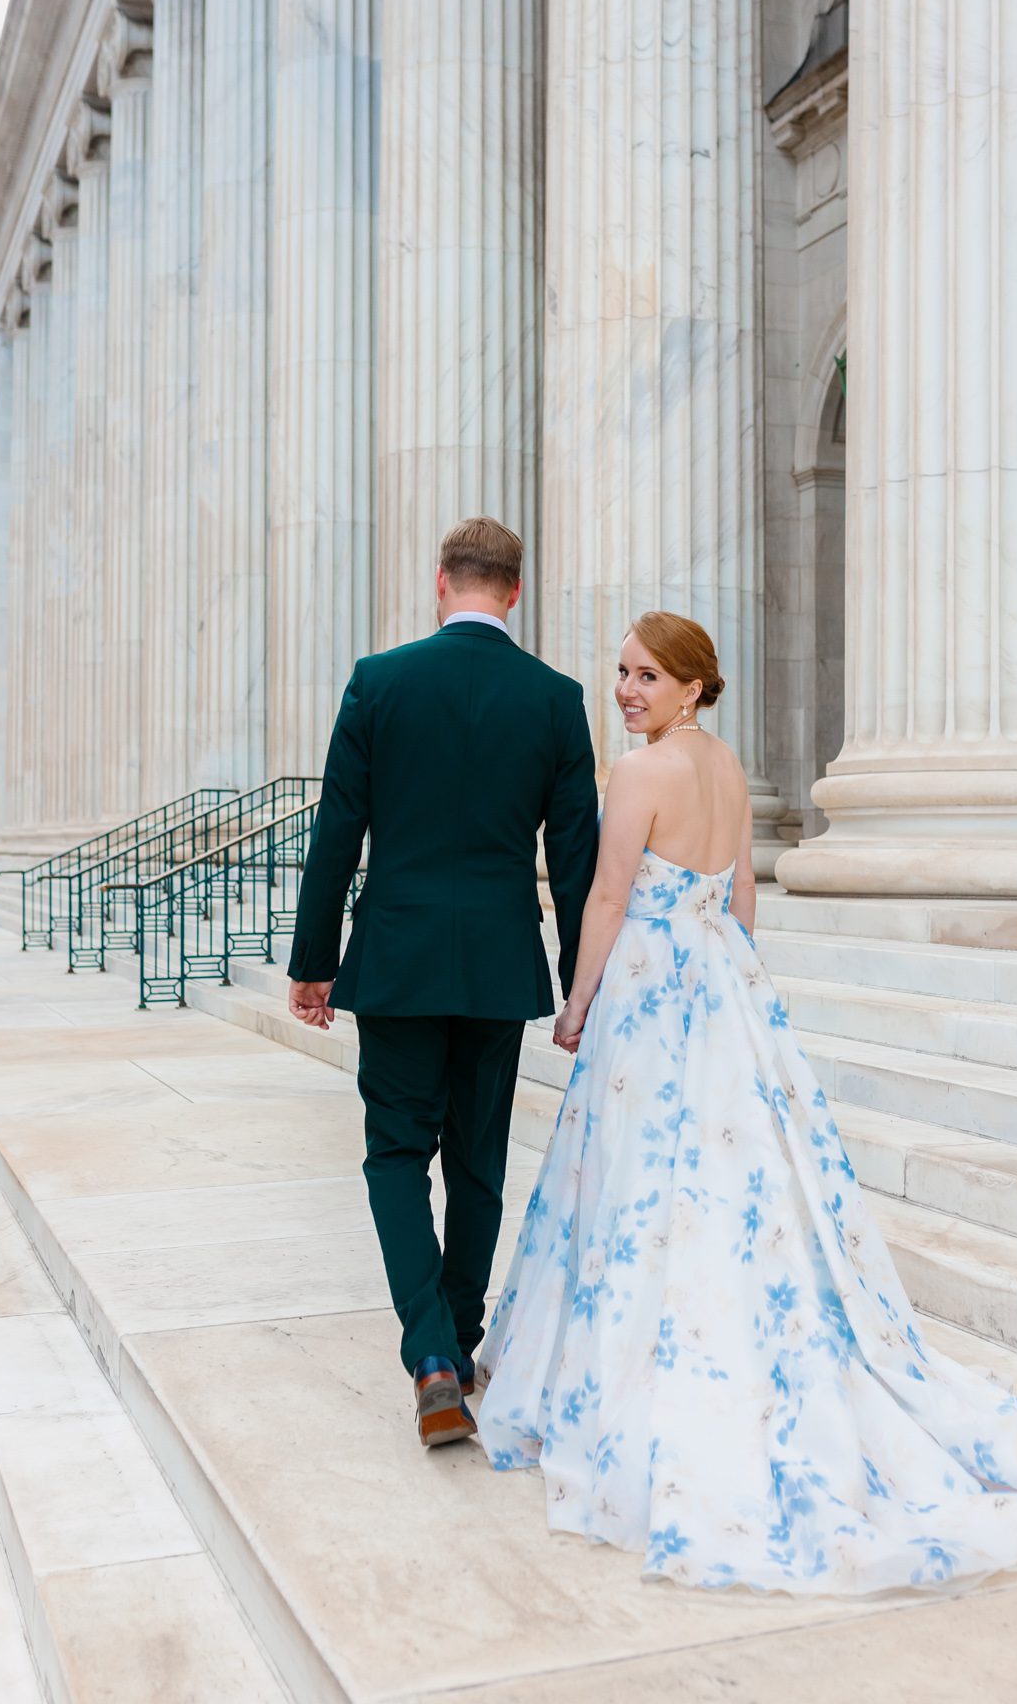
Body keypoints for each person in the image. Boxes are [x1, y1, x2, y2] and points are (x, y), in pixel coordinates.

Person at [476, 610, 1017, 1598]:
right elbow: (742, 884)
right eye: (621, 671)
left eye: (646, 675)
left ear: (691, 686)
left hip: (651, 994)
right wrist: (739, 979)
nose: (625, 688)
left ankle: (629, 1374)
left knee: (635, 1181)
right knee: (732, 1181)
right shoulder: (721, 766)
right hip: (723, 984)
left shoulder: (638, 773)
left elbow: (606, 897)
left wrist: (578, 1000)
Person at [287, 516, 599, 1448]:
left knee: (394, 1155)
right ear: (514, 591)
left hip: (398, 958)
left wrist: (313, 962)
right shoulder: (554, 698)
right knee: (478, 1163)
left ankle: (430, 1356)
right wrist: (583, 981)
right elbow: (576, 859)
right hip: (500, 962)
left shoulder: (379, 683)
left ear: (440, 584)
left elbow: (335, 834)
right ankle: (456, 1346)